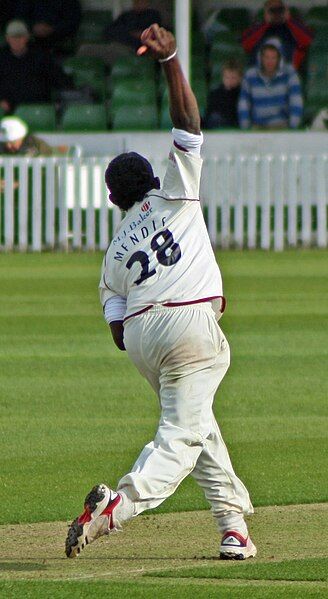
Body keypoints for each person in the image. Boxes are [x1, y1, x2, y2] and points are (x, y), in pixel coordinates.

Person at [65, 24, 256, 562]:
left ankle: (233, 527)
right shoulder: (177, 188)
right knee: (180, 434)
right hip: (189, 324)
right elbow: (189, 123)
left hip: (145, 337)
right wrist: (171, 58)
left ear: (112, 199)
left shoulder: (112, 256)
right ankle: (115, 509)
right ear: (151, 177)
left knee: (198, 427)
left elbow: (118, 332)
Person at [0, 20, 72, 114]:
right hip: (9, 110)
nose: (17, 41)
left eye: (20, 37)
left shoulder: (41, 57)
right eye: (13, 37)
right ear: (7, 38)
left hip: (38, 109)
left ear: (27, 38)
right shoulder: (2, 58)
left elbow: (59, 79)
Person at [238, 39, 303, 130]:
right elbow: (244, 102)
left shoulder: (290, 74)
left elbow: (296, 101)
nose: (270, 61)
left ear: (279, 58)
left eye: (273, 57)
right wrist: (245, 128)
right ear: (261, 57)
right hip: (257, 127)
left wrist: (292, 127)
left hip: (281, 126)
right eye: (266, 57)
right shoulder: (250, 75)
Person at [78, 0, 162, 66]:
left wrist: (131, 34)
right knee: (84, 49)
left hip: (131, 50)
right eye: (136, 1)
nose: (138, 3)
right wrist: (129, 33)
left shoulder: (152, 16)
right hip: (114, 44)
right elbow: (108, 32)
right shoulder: (127, 15)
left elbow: (149, 37)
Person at [242, 0, 313, 71]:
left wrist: (289, 20)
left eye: (280, 9)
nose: (276, 13)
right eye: (272, 10)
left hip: (287, 72)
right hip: (260, 72)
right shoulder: (258, 28)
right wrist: (265, 23)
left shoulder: (294, 27)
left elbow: (308, 41)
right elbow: (245, 44)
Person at [12, 0, 81, 51]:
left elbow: (72, 22)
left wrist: (52, 29)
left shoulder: (71, 2)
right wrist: (33, 27)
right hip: (31, 41)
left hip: (60, 42)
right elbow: (19, 17)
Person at [204, 59, 242, 129]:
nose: (230, 81)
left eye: (233, 78)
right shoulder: (215, 94)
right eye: (227, 77)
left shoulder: (243, 95)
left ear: (239, 78)